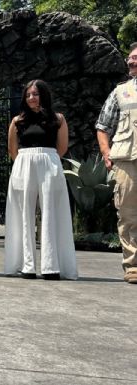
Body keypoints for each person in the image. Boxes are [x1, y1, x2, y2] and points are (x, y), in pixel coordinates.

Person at [4, 79, 77, 280]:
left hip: (50, 164)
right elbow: (12, 149)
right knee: (23, 214)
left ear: (43, 95)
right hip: (24, 164)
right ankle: (27, 265)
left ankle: (51, 266)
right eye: (28, 95)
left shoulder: (58, 119)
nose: (31, 98)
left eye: (35, 94)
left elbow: (62, 147)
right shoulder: (17, 121)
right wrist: (25, 163)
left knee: (52, 212)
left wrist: (47, 158)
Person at [96, 42, 137, 284]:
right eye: (130, 58)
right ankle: (133, 265)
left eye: (135, 58)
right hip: (126, 159)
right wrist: (106, 153)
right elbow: (103, 125)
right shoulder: (120, 91)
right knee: (128, 214)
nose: (131, 61)